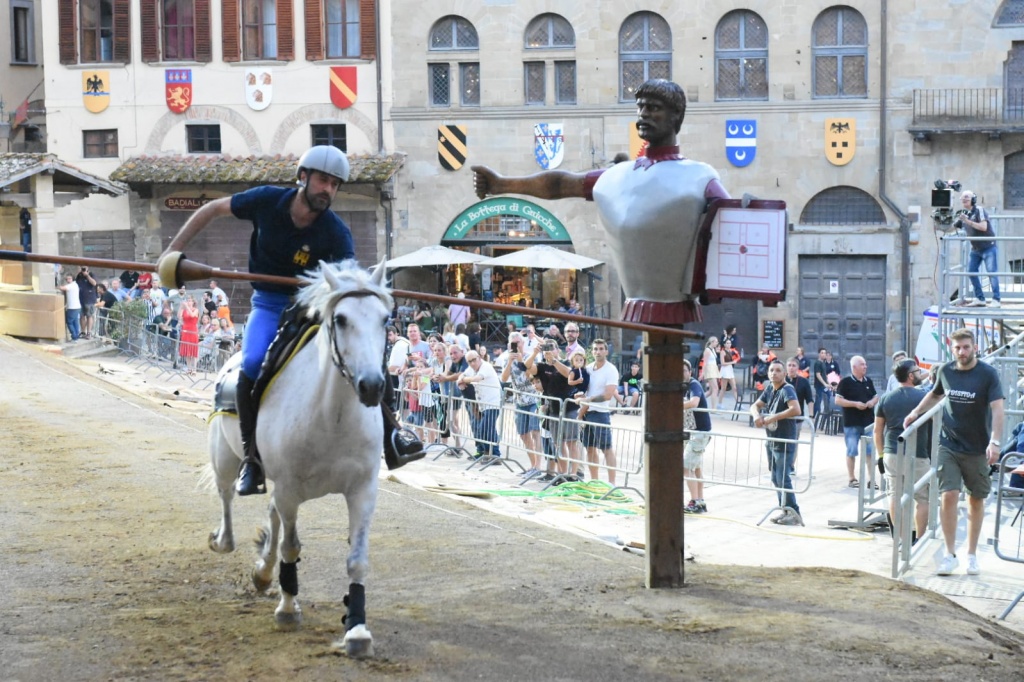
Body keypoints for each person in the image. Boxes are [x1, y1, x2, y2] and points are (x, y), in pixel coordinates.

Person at [157, 145, 423, 495]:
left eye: (335, 184)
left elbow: (346, 283)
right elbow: (212, 208)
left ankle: (393, 435)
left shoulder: (337, 232)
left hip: (313, 307)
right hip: (268, 303)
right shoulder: (267, 200)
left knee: (365, 358)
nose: (328, 189)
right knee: (251, 363)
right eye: (323, 180)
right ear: (303, 177)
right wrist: (171, 251)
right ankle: (251, 459)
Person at [473, 78, 730, 326]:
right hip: (639, 301)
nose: (643, 114)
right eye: (640, 107)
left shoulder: (699, 176)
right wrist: (500, 184)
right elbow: (562, 184)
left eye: (653, 108)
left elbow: (731, 224)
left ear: (676, 115)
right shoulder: (619, 175)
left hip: (678, 301)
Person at [904, 328, 1004, 576]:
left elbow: (998, 409)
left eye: (966, 347)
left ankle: (971, 554)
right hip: (949, 444)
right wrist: (915, 412)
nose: (962, 351)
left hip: (977, 447)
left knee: (975, 499)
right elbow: (934, 394)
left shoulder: (988, 374)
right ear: (952, 348)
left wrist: (996, 442)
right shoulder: (946, 371)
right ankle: (949, 555)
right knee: (948, 494)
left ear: (975, 347)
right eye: (957, 347)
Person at [874, 359, 931, 545]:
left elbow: (877, 431)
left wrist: (881, 456)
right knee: (922, 497)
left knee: (894, 495)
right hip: (918, 452)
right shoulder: (923, 397)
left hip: (892, 451)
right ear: (910, 375)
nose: (921, 373)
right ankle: (920, 540)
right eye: (917, 370)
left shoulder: (886, 398)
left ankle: (900, 540)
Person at [750, 360, 802, 525]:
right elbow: (755, 406)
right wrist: (756, 416)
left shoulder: (787, 389)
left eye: (778, 370)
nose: (774, 373)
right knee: (775, 477)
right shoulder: (770, 389)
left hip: (784, 439)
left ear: (784, 374)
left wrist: (773, 416)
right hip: (772, 439)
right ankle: (785, 509)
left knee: (783, 477)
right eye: (772, 370)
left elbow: (795, 409)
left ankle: (794, 512)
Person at [578, 339, 619, 485]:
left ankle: (612, 483)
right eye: (595, 349)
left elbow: (608, 395)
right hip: (587, 413)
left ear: (606, 351)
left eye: (601, 349)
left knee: (607, 448)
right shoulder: (588, 368)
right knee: (589, 448)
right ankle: (594, 481)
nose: (598, 352)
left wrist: (588, 400)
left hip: (601, 413)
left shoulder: (611, 370)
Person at [835, 356, 879, 489]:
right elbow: (838, 400)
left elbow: (876, 396)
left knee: (870, 452)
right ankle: (852, 478)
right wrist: (855, 404)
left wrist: (872, 402)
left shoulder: (868, 381)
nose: (865, 367)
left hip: (868, 422)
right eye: (862, 365)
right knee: (852, 450)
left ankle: (872, 480)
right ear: (854, 367)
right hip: (852, 422)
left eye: (865, 364)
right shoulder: (845, 382)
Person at [502, 333, 542, 478]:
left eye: (518, 342)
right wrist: (509, 362)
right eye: (513, 343)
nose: (516, 345)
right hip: (519, 401)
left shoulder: (531, 357)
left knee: (535, 432)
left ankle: (538, 466)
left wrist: (521, 362)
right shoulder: (507, 359)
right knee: (524, 435)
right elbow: (504, 378)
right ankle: (532, 466)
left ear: (523, 343)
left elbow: (532, 378)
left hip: (533, 399)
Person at [955, 190, 1000, 307]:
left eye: (967, 197)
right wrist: (940, 224)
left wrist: (967, 221)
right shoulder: (964, 214)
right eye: (962, 198)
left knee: (991, 273)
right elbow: (952, 228)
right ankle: (980, 298)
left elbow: (984, 227)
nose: (964, 199)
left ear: (973, 199)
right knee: (971, 271)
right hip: (975, 249)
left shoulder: (978, 210)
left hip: (988, 246)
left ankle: (996, 299)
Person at [457, 350, 502, 460]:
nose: (472, 363)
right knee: (485, 429)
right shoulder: (471, 369)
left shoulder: (485, 366)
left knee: (485, 429)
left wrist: (463, 380)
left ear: (479, 358)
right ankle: (487, 452)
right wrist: (460, 379)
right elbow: (463, 374)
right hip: (482, 404)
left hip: (492, 403)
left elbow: (476, 379)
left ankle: (494, 454)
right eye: (469, 361)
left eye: (474, 360)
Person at [683, 359, 712, 514]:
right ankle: (700, 501)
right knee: (697, 467)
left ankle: (694, 501)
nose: (681, 374)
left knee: (686, 467)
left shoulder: (693, 384)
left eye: (684, 371)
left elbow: (694, 402)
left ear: (690, 372)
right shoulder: (679, 385)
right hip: (691, 431)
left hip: (700, 432)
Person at [785, 356, 815, 475]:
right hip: (781, 417)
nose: (791, 368)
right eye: (789, 365)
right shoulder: (781, 380)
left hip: (796, 419)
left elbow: (809, 400)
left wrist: (811, 416)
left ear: (798, 368)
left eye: (794, 366)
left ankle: (790, 466)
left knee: (793, 442)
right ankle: (779, 464)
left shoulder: (803, 382)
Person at [177, 295, 201, 375]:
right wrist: (181, 307)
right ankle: (189, 368)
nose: (189, 301)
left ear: (193, 302)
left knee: (193, 350)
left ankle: (194, 369)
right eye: (188, 300)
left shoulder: (196, 310)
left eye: (190, 300)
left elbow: (192, 315)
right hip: (185, 329)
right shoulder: (185, 310)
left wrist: (187, 307)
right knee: (187, 350)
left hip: (193, 330)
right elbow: (179, 316)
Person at [76, 266, 98, 339]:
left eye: (84, 268)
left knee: (89, 315)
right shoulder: (79, 276)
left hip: (89, 298)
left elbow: (94, 283)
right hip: (80, 298)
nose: (82, 270)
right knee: (82, 316)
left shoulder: (91, 274)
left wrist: (87, 275)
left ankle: (89, 332)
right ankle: (83, 332)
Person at [58, 273, 81, 341]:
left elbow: (63, 288)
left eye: (69, 278)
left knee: (69, 322)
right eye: (67, 279)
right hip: (76, 306)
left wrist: (57, 286)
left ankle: (74, 336)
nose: (68, 280)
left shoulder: (71, 286)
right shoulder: (75, 285)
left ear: (72, 279)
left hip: (72, 307)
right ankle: (76, 335)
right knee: (75, 322)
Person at [701, 337, 721, 410]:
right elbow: (705, 362)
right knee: (715, 389)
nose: (717, 343)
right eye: (716, 342)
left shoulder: (713, 350)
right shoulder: (707, 350)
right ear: (712, 342)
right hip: (710, 369)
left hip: (713, 369)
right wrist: (702, 373)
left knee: (711, 391)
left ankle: (699, 399)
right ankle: (713, 408)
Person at [718, 338, 740, 406]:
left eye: (729, 343)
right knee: (723, 388)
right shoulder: (722, 352)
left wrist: (735, 361)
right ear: (724, 344)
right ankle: (719, 403)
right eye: (727, 343)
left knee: (734, 387)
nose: (729, 344)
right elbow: (722, 363)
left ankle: (738, 403)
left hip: (730, 370)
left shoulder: (731, 351)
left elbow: (737, 357)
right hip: (725, 370)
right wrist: (732, 362)